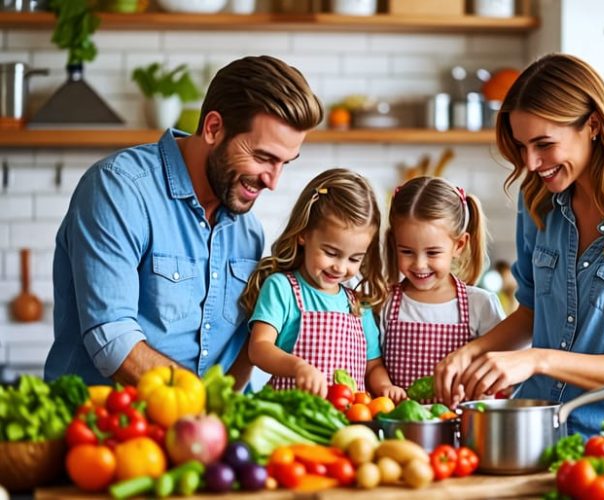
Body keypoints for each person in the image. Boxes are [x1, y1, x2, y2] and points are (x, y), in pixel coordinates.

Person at [434, 53, 604, 436]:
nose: (531, 163)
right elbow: (531, 312)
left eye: (544, 144)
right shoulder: (538, 203)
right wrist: (469, 352)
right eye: (521, 146)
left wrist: (539, 360)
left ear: (593, 124)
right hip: (538, 436)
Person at [44, 55, 323, 388]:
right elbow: (113, 341)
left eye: (285, 163)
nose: (272, 181)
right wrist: (200, 408)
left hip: (198, 434)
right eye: (263, 157)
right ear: (213, 128)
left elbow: (237, 358)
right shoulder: (119, 190)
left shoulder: (247, 231)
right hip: (106, 427)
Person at [240, 168, 389, 397]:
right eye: (330, 252)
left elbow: (373, 366)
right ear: (304, 234)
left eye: (354, 258)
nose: (340, 267)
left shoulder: (358, 305)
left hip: (346, 422)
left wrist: (385, 387)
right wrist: (297, 367)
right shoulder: (282, 288)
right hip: (293, 416)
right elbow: (259, 348)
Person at [377, 176, 505, 403]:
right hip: (401, 428)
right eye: (406, 251)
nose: (419, 264)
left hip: (463, 429)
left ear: (459, 245)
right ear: (393, 243)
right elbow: (372, 364)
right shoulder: (384, 302)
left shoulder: (480, 305)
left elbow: (501, 367)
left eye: (433, 253)